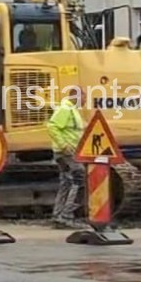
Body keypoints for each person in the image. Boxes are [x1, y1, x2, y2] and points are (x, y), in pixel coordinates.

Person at [46, 87, 87, 229]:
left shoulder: (72, 110)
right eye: (83, 96)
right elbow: (52, 126)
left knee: (67, 183)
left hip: (67, 153)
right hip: (66, 153)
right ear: (75, 96)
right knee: (79, 179)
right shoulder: (65, 109)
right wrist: (63, 145)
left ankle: (58, 216)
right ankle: (66, 216)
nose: (85, 100)